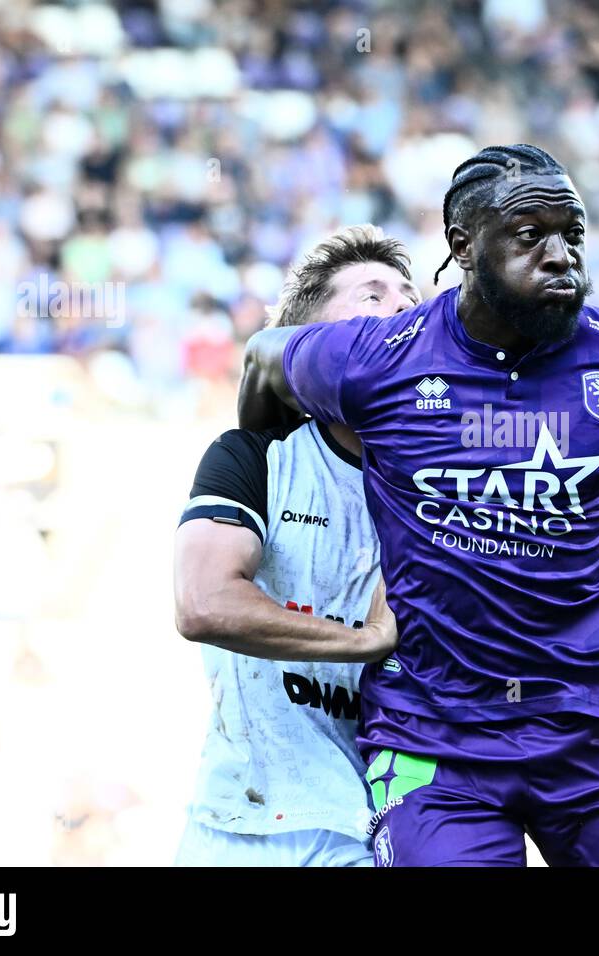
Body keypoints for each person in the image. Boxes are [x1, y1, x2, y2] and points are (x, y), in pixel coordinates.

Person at [239, 145, 599, 867]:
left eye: (573, 235)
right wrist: (256, 476)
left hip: (593, 733)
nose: (560, 257)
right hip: (434, 741)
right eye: (531, 236)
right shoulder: (376, 360)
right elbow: (262, 357)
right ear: (463, 247)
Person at [172, 224, 421, 866]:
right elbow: (202, 603)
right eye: (371, 295)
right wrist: (364, 640)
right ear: (310, 344)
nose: (400, 306)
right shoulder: (255, 458)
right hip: (235, 825)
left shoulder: (445, 489)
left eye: (408, 294)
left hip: (368, 830)